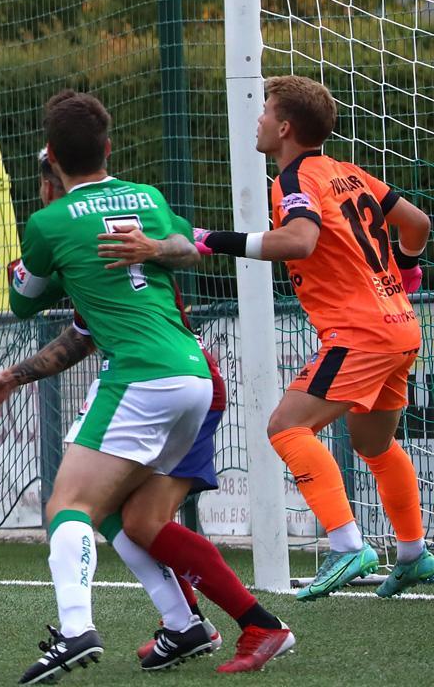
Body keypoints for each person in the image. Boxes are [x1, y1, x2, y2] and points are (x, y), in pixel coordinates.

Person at [0, 147, 293, 675]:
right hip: (187, 377)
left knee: (76, 506)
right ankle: (193, 625)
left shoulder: (64, 227)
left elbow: (27, 299)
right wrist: (13, 375)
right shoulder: (134, 217)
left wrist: (37, 259)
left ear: (51, 179)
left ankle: (84, 629)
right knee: (132, 516)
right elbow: (82, 334)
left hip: (158, 376)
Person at [101, 75, 431, 601]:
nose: (256, 121)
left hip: (361, 332)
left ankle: (347, 545)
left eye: (264, 112)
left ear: (283, 127)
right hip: (399, 326)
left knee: (285, 427)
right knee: (374, 443)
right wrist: (408, 273)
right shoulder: (348, 172)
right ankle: (412, 554)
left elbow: (298, 242)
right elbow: (417, 223)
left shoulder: (296, 177)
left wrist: (209, 241)